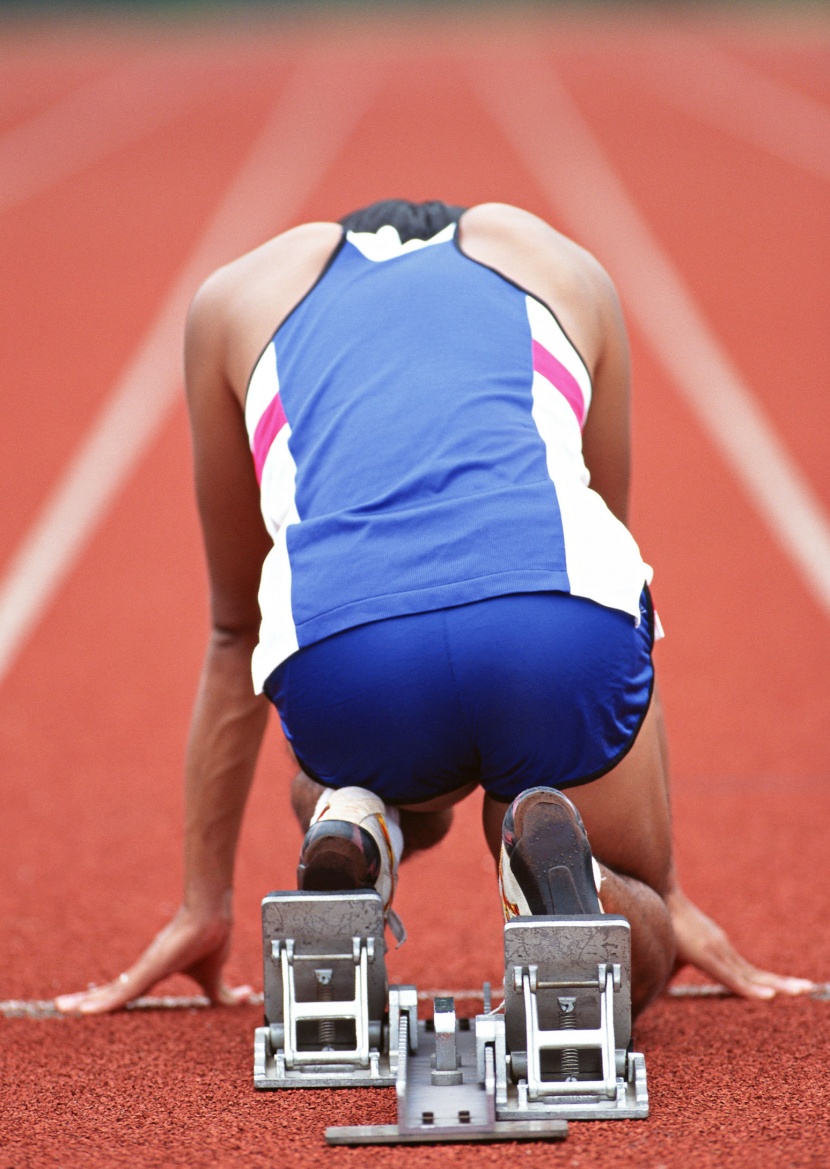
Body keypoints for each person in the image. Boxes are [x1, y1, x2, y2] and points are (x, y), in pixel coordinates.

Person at [56, 200, 813, 1018]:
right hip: (552, 628)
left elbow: (233, 627)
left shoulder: (235, 298)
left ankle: (354, 822)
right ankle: (587, 885)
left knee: (345, 775)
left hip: (349, 656)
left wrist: (202, 903)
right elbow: (608, 555)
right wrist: (666, 889)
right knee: (604, 865)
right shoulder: (566, 267)